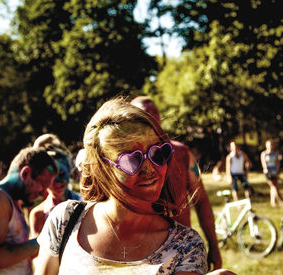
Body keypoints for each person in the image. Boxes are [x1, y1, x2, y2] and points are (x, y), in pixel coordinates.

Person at [35, 97, 235, 275]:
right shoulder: (65, 221)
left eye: (158, 153)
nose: (150, 169)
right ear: (102, 167)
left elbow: (202, 201)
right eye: (131, 160)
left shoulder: (186, 247)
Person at [131, 96, 222, 270]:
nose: (151, 120)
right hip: (141, 256)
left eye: (154, 114)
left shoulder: (181, 153)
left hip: (182, 253)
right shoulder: (126, 162)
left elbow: (201, 200)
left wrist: (214, 247)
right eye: (144, 115)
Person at [0, 146, 58, 274]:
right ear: (26, 173)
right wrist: (46, 240)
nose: (43, 193)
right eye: (42, 184)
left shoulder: (10, 202)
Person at [30, 140, 82, 239]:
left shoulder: (86, 204)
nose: (57, 182)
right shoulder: (39, 215)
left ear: (69, 169)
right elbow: (36, 252)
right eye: (50, 177)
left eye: (62, 174)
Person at [260, 139, 283, 207]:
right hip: (268, 172)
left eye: (272, 144)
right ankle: (279, 201)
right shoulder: (264, 153)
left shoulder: (276, 153)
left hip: (275, 171)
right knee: (273, 186)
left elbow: (278, 163)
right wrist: (268, 171)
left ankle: (272, 202)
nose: (271, 146)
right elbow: (264, 164)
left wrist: (277, 171)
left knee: (273, 186)